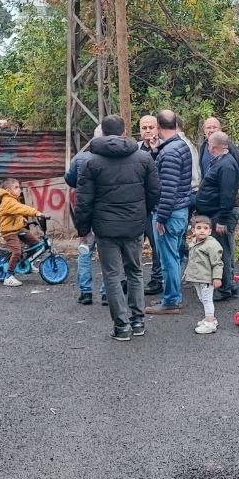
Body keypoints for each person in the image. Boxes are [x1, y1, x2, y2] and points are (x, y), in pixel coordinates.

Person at [73, 114, 160, 342]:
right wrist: (142, 213)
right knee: (135, 271)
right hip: (134, 225)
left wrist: (83, 230)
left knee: (111, 275)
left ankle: (121, 326)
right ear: (124, 132)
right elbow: (155, 191)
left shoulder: (90, 161)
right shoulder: (143, 158)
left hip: (105, 228)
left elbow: (83, 201)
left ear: (102, 132)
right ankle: (138, 321)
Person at [145, 109, 192, 315]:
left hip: (170, 213)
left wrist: (161, 218)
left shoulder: (170, 152)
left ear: (158, 126)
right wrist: (156, 152)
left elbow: (168, 189)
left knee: (168, 259)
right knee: (173, 256)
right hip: (179, 211)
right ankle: (171, 296)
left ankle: (171, 300)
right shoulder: (179, 145)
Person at [192, 131, 239, 302]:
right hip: (213, 213)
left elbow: (228, 194)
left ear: (212, 146)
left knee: (221, 252)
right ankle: (228, 285)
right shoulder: (220, 161)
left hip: (220, 216)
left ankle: (225, 288)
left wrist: (222, 220)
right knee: (219, 251)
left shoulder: (227, 165)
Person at [64, 126, 105, 305]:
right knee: (108, 255)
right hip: (107, 215)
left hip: (86, 213)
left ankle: (86, 292)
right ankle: (106, 293)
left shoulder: (81, 158)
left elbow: (69, 179)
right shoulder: (118, 158)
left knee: (85, 251)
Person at [183, 215, 224, 334]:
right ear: (193, 230)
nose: (202, 231)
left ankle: (210, 323)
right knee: (202, 298)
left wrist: (217, 277)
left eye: (205, 228)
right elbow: (192, 261)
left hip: (206, 279)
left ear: (210, 231)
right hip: (197, 278)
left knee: (207, 300)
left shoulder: (211, 245)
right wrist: (187, 273)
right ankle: (210, 318)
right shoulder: (194, 243)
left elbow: (217, 263)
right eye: (199, 228)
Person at [0, 177, 41, 287]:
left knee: (36, 243)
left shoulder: (13, 199)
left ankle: (27, 262)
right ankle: (8, 276)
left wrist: (22, 219)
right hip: (9, 231)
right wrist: (36, 213)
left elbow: (15, 213)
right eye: (16, 187)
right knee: (17, 251)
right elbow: (21, 208)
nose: (19, 189)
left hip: (17, 228)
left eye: (19, 187)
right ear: (8, 190)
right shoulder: (7, 200)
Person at [137, 114, 164, 296]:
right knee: (133, 246)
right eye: (144, 128)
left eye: (151, 127)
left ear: (158, 128)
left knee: (157, 246)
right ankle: (132, 280)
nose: (147, 131)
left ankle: (157, 280)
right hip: (137, 206)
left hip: (156, 206)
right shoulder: (134, 149)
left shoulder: (164, 148)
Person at [199, 116, 239, 183]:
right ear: (204, 130)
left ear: (220, 129)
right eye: (208, 128)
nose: (211, 130)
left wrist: (235, 184)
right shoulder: (203, 146)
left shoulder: (227, 145)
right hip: (207, 188)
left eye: (214, 127)